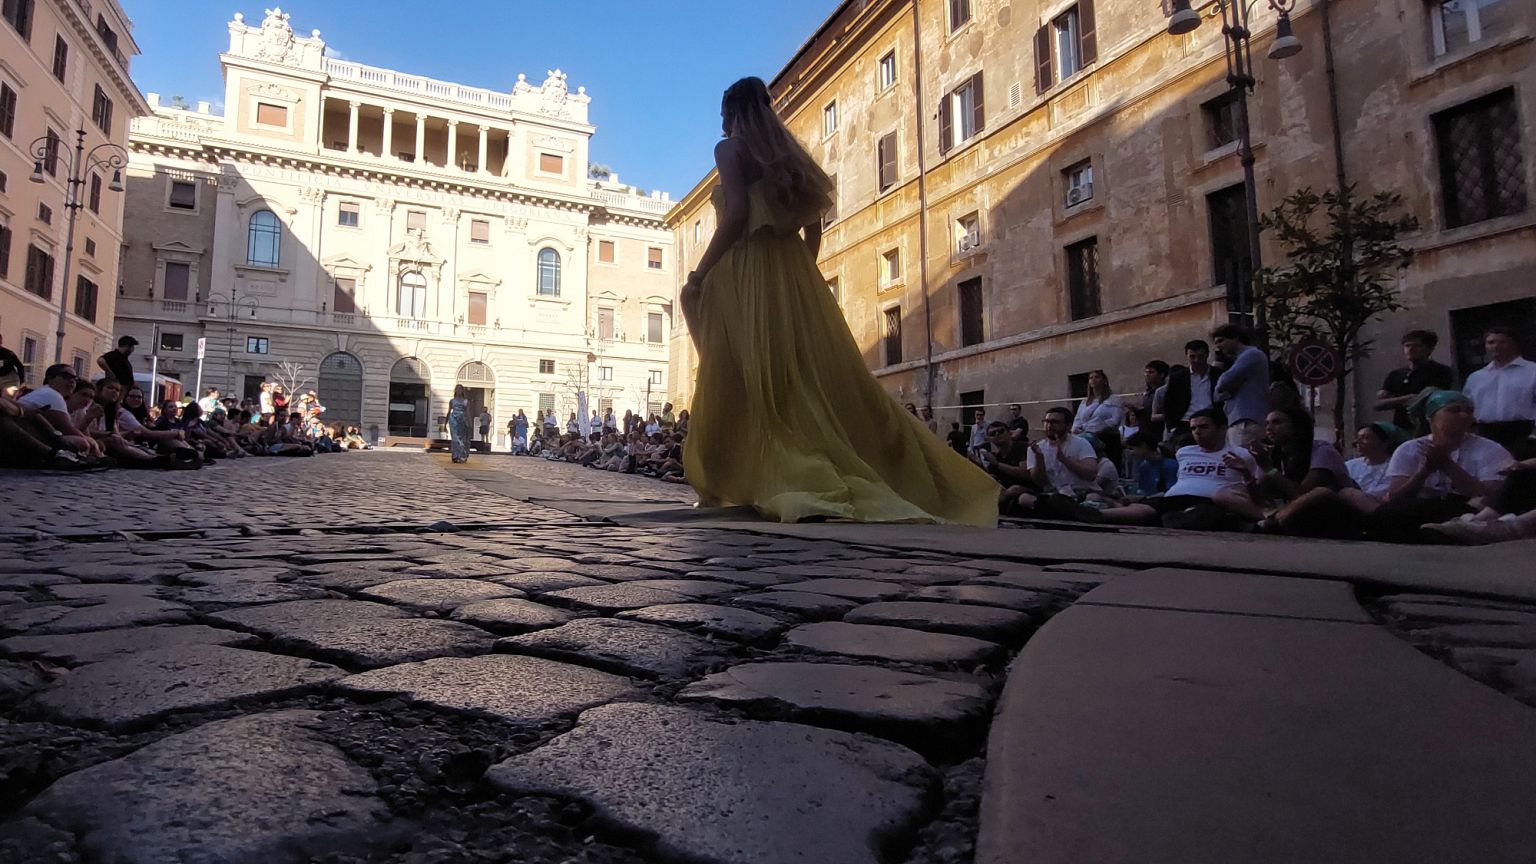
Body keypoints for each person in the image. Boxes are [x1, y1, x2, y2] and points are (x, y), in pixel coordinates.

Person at [678, 76, 996, 526]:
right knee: (802, 377)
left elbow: (737, 214)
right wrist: (799, 275)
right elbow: (814, 227)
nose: (722, 125)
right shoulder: (789, 158)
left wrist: (700, 272)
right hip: (789, 273)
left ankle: (759, 476)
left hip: (743, 271)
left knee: (739, 373)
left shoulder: (728, 149)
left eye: (723, 116)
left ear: (732, 113)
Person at [1366, 390, 1514, 543]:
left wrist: (1446, 464)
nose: (1464, 415)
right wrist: (1425, 471)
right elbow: (1396, 497)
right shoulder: (1409, 449)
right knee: (1387, 514)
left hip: (1465, 510)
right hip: (1418, 506)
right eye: (1454, 410)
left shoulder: (1491, 449)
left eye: (1469, 411)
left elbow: (1490, 496)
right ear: (1431, 417)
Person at [1097, 409, 1265, 528]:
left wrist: (1245, 472)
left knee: (1201, 514)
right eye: (1193, 428)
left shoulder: (1241, 454)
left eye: (1203, 427)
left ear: (1222, 429)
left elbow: (1257, 495)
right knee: (1145, 509)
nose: (1197, 432)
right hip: (1174, 497)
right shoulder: (1184, 452)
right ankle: (1096, 515)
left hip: (1208, 500)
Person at [1463, 326, 1536, 459]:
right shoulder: (1476, 378)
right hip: (1486, 435)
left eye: (1502, 342)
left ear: (1514, 344)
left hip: (1523, 433)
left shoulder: (1532, 371)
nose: (1496, 347)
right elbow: (1467, 407)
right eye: (1491, 343)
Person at [1375, 330, 1455, 434]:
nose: (1411, 349)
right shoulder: (1395, 375)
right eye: (1407, 346)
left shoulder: (1440, 371)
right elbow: (1378, 404)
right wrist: (1406, 399)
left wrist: (1395, 400)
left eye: (1417, 346)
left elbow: (1432, 397)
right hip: (1402, 429)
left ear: (1429, 349)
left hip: (1430, 429)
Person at [1212, 323, 1270, 449]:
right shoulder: (1238, 360)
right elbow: (1217, 396)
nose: (1219, 346)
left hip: (1247, 418)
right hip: (1238, 418)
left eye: (1221, 341)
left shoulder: (1251, 355)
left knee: (1243, 456)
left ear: (1235, 337)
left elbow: (1223, 382)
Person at [1071, 370, 1122, 435]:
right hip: (1084, 435)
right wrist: (1076, 430)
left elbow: (1115, 420)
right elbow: (1077, 420)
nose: (1093, 379)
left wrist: (1098, 428)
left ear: (1104, 381)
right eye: (1091, 378)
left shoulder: (1114, 399)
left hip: (1104, 436)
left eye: (1096, 377)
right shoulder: (1084, 402)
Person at [1183, 340, 1217, 426]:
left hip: (1213, 421)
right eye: (1192, 357)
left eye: (1200, 356)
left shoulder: (1218, 374)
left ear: (1207, 354)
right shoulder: (1178, 377)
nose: (1196, 360)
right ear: (1186, 356)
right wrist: (1172, 426)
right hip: (1185, 422)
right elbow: (1169, 402)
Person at [1140, 361, 1170, 441]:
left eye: (1151, 372)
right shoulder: (1148, 393)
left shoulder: (1165, 393)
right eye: (1146, 372)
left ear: (1161, 375)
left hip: (1159, 434)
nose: (1147, 375)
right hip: (1146, 434)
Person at [447, 385, 471, 463]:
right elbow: (449, 411)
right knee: (455, 438)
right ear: (455, 391)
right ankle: (455, 456)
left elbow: (468, 413)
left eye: (460, 389)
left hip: (462, 420)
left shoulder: (466, 401)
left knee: (462, 438)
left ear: (463, 391)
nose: (459, 390)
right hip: (453, 419)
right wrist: (445, 423)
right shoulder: (452, 401)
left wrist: (469, 423)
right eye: (457, 389)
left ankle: (462, 455)